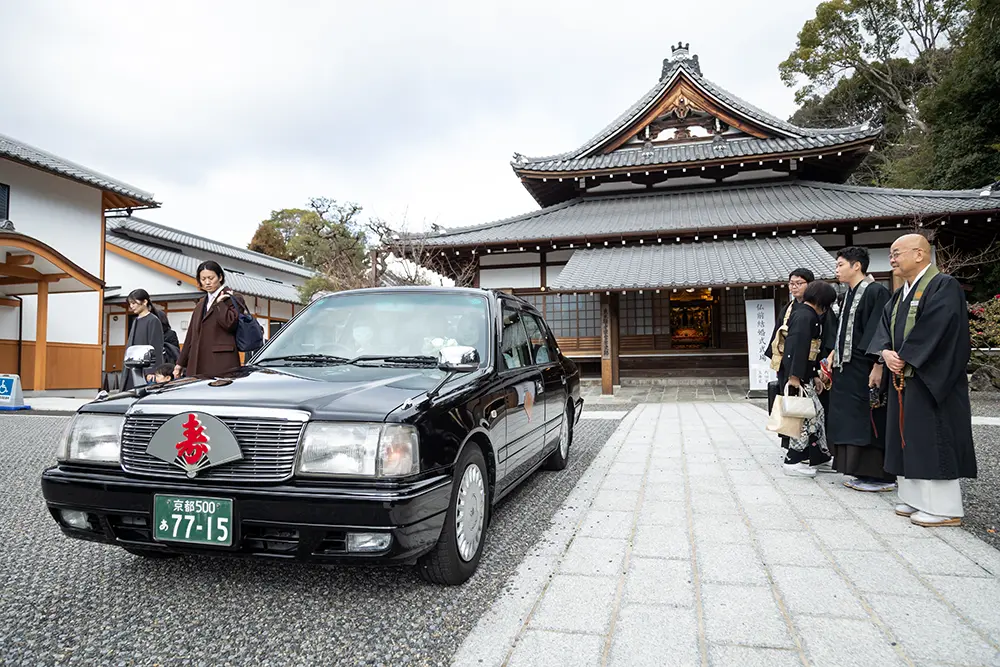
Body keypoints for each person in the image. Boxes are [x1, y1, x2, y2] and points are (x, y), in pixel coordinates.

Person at [867, 234, 976, 527]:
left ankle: (944, 508)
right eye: (890, 253)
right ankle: (914, 498)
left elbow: (940, 328)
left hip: (930, 377)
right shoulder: (899, 294)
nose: (891, 259)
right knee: (906, 436)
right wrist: (885, 353)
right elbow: (884, 328)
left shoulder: (944, 286)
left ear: (919, 254)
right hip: (904, 374)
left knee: (932, 436)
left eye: (896, 253)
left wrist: (905, 356)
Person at [827, 247, 894, 492]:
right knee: (850, 419)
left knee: (869, 417)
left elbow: (880, 331)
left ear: (857, 266)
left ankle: (880, 476)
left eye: (840, 264)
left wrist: (878, 366)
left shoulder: (875, 291)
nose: (837, 269)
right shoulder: (847, 295)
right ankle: (858, 470)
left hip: (866, 367)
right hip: (847, 368)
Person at [780, 280, 838, 477]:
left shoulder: (807, 315)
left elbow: (809, 352)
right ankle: (793, 459)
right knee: (805, 417)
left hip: (805, 373)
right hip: (799, 376)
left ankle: (820, 455)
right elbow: (798, 347)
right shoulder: (805, 316)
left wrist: (814, 375)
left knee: (817, 414)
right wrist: (795, 377)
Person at [174, 261, 242, 378]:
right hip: (197, 360)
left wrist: (220, 303)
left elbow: (230, 324)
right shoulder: (201, 303)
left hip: (221, 361)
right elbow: (191, 335)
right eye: (203, 279)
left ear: (220, 277)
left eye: (211, 278)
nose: (207, 282)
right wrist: (180, 363)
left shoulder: (233, 298)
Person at [123, 288, 164, 390]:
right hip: (132, 366)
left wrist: (153, 371)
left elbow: (156, 348)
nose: (131, 306)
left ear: (145, 302)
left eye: (134, 303)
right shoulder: (136, 321)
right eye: (130, 303)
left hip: (145, 369)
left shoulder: (153, 320)